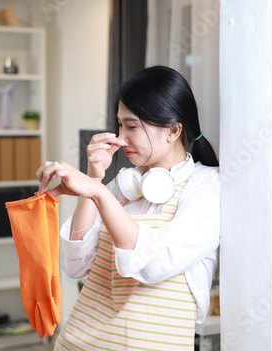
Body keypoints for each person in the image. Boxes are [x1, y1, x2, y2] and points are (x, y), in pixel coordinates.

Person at [37, 65, 220, 350]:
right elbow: (76, 265)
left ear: (173, 129)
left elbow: (155, 265)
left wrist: (98, 192)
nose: (121, 138)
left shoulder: (206, 185)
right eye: (119, 125)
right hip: (77, 343)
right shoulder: (122, 187)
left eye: (132, 126)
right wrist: (95, 179)